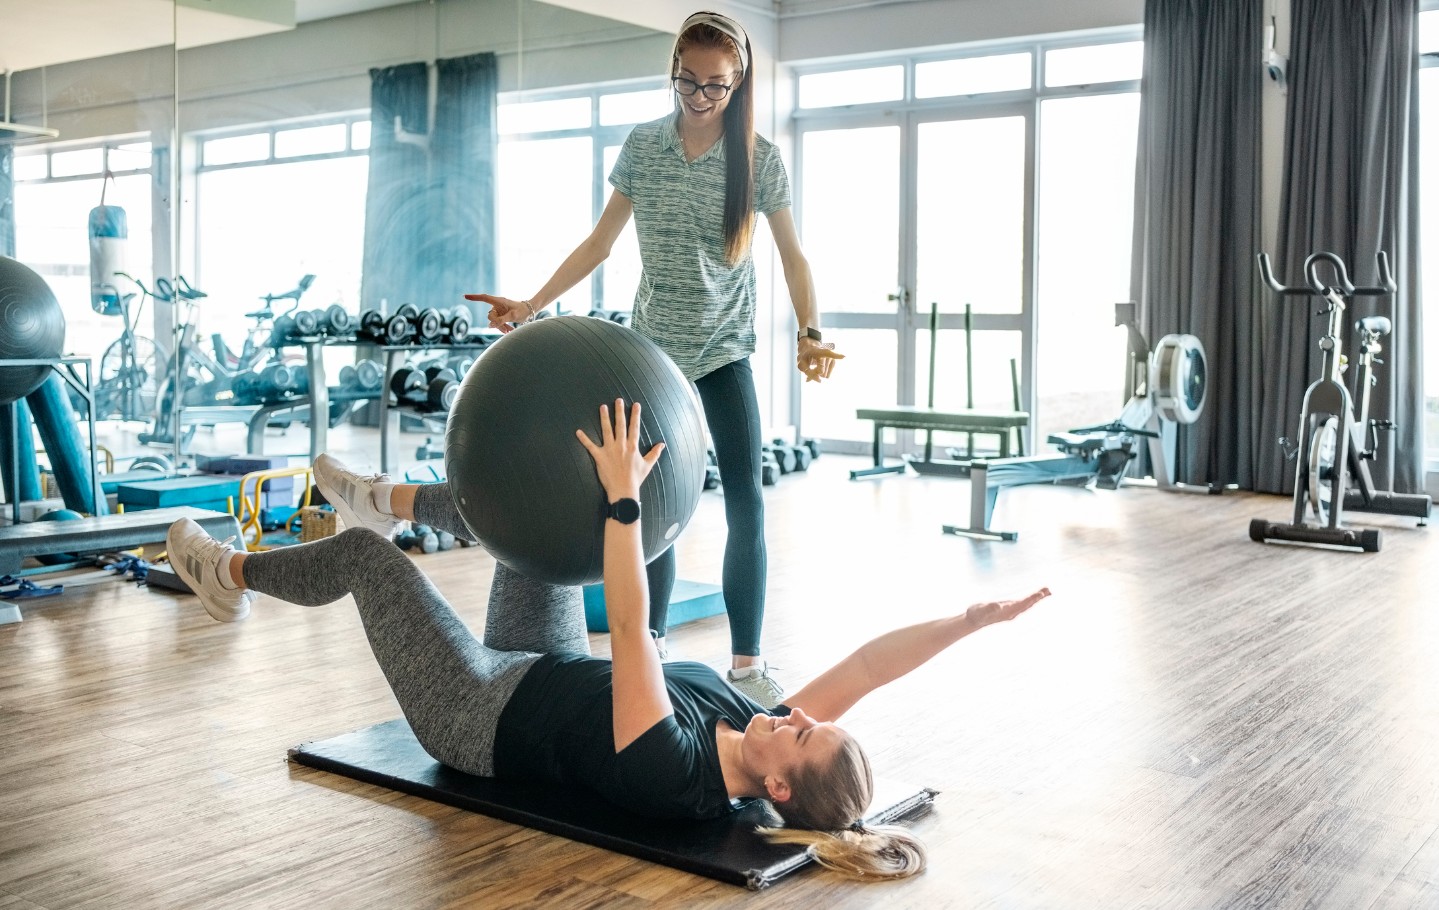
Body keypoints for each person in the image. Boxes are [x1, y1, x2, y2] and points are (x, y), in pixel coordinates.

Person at [166, 400, 1050, 881]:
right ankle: (388, 495)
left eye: (805, 731)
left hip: (476, 714)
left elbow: (628, 625)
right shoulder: (762, 732)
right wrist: (967, 624)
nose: (798, 712)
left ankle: (228, 576)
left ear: (779, 784)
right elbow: (865, 667)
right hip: (538, 664)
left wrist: (625, 499)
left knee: (369, 563)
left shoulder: (682, 776)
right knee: (538, 515)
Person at [467, 11, 843, 707]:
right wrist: (529, 303)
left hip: (723, 353)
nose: (700, 99)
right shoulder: (643, 146)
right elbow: (597, 245)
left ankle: (747, 663)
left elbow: (793, 255)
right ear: (673, 73)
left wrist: (811, 329)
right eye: (687, 84)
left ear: (739, 83)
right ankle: (653, 649)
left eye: (716, 88)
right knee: (651, 506)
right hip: (650, 358)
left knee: (745, 504)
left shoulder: (758, 159)